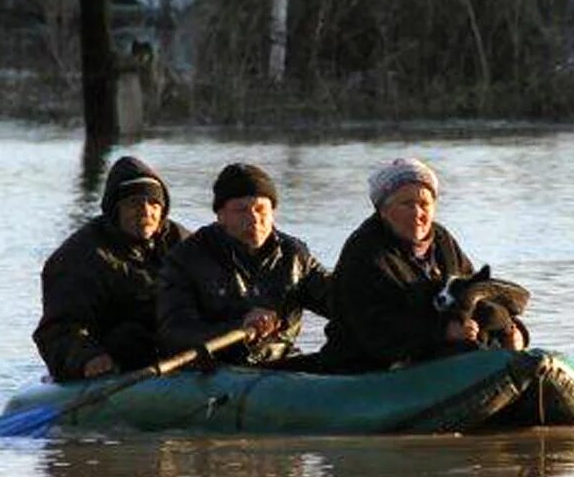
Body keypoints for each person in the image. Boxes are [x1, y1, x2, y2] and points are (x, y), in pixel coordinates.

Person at [317, 157, 527, 373]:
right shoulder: (364, 252)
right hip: (368, 365)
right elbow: (374, 329)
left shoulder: (442, 240)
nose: (418, 213)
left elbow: (473, 291)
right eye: (407, 204)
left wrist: (510, 330)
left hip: (434, 354)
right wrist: (443, 331)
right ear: (383, 210)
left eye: (424, 204)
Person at [156, 162, 331, 366]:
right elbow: (174, 332)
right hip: (214, 369)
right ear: (221, 216)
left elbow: (337, 300)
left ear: (273, 212)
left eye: (260, 209)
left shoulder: (294, 255)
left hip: (280, 364)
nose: (254, 219)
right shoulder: (187, 258)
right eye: (241, 210)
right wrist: (240, 326)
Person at [33, 155, 187, 381]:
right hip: (117, 361)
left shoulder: (183, 244)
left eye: (153, 203)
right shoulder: (78, 258)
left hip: (178, 354)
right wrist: (87, 358)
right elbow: (59, 328)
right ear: (116, 209)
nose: (146, 211)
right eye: (134, 203)